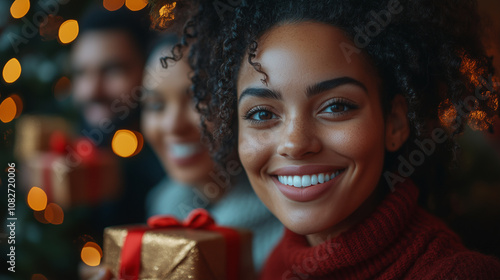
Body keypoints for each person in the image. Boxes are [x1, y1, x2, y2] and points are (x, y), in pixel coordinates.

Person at [155, 0, 500, 278]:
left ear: (394, 122)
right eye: (262, 114)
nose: (295, 142)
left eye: (335, 106)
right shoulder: (278, 265)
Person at [82, 35, 283, 280]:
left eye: (199, 101)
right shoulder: (164, 206)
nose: (172, 125)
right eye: (156, 105)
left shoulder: (292, 222)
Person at [71, 6, 164, 229]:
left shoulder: (174, 169)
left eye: (112, 70)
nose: (92, 91)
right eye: (81, 73)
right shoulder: (66, 160)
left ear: (148, 71)